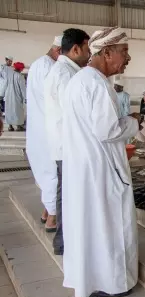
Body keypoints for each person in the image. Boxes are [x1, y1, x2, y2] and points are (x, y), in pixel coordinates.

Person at [61, 26, 139, 297]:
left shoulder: (81, 80)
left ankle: (91, 280)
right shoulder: (95, 83)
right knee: (109, 225)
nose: (128, 58)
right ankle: (113, 283)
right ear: (107, 52)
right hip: (101, 169)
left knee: (90, 226)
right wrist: (133, 123)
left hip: (85, 167)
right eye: (125, 52)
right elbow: (107, 131)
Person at [44, 29, 90, 255]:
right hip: (69, 147)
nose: (89, 54)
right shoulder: (66, 75)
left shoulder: (63, 70)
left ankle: (65, 241)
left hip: (65, 145)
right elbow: (75, 113)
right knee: (69, 195)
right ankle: (64, 242)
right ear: (76, 49)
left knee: (68, 193)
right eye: (88, 49)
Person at [26, 36, 62, 232]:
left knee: (44, 172)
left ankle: (46, 212)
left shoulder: (38, 64)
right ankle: (53, 219)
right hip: (48, 131)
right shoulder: (51, 68)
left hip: (37, 129)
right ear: (59, 51)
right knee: (53, 174)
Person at [4, 62, 26, 132]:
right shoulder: (20, 76)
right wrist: (25, 98)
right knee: (18, 111)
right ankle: (19, 126)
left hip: (8, 95)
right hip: (17, 96)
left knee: (9, 110)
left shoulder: (8, 75)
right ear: (20, 69)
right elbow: (23, 88)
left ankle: (10, 127)